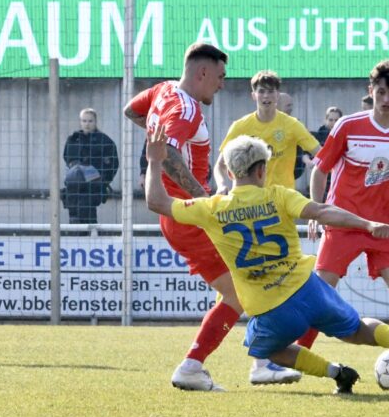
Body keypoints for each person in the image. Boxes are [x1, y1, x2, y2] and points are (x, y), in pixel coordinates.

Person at [145, 129, 389, 394]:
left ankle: (336, 372)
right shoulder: (279, 196)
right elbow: (324, 211)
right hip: (309, 290)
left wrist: (155, 161)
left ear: (230, 173)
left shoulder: (211, 209)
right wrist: (366, 224)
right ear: (261, 171)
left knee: (269, 351)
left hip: (271, 308)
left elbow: (157, 201)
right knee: (357, 330)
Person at [123, 41, 242, 392]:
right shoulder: (187, 110)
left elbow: (130, 110)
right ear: (202, 73)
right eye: (219, 76)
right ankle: (196, 365)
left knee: (238, 290)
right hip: (188, 215)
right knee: (241, 293)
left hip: (178, 216)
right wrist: (204, 200)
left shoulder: (163, 91)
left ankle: (205, 363)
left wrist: (154, 137)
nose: (221, 84)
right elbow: (171, 154)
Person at [299, 60, 389, 378]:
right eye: (381, 92)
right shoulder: (348, 126)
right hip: (342, 222)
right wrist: (316, 209)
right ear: (371, 92)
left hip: (383, 229)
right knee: (320, 294)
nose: (386, 99)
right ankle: (293, 360)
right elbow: (320, 169)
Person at [213, 70, 321, 385]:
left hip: (281, 214)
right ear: (253, 95)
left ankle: (264, 359)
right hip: (248, 213)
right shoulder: (241, 127)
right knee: (270, 286)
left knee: (273, 286)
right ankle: (263, 360)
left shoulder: (290, 126)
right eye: (261, 90)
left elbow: (321, 157)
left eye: (271, 90)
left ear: (279, 95)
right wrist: (223, 187)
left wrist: (316, 201)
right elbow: (221, 165)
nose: (266, 95)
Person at [62, 108, 119, 224]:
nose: (87, 124)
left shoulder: (104, 141)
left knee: (88, 214)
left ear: (95, 122)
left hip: (93, 186)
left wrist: (103, 181)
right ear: (80, 122)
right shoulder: (73, 139)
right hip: (74, 186)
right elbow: (67, 158)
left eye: (90, 121)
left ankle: (89, 238)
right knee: (74, 216)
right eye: (84, 121)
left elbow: (113, 164)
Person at [276, 91, 311, 181]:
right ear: (277, 106)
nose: (291, 108)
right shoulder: (267, 124)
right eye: (288, 105)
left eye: (291, 105)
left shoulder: (296, 124)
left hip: (291, 172)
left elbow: (306, 146)